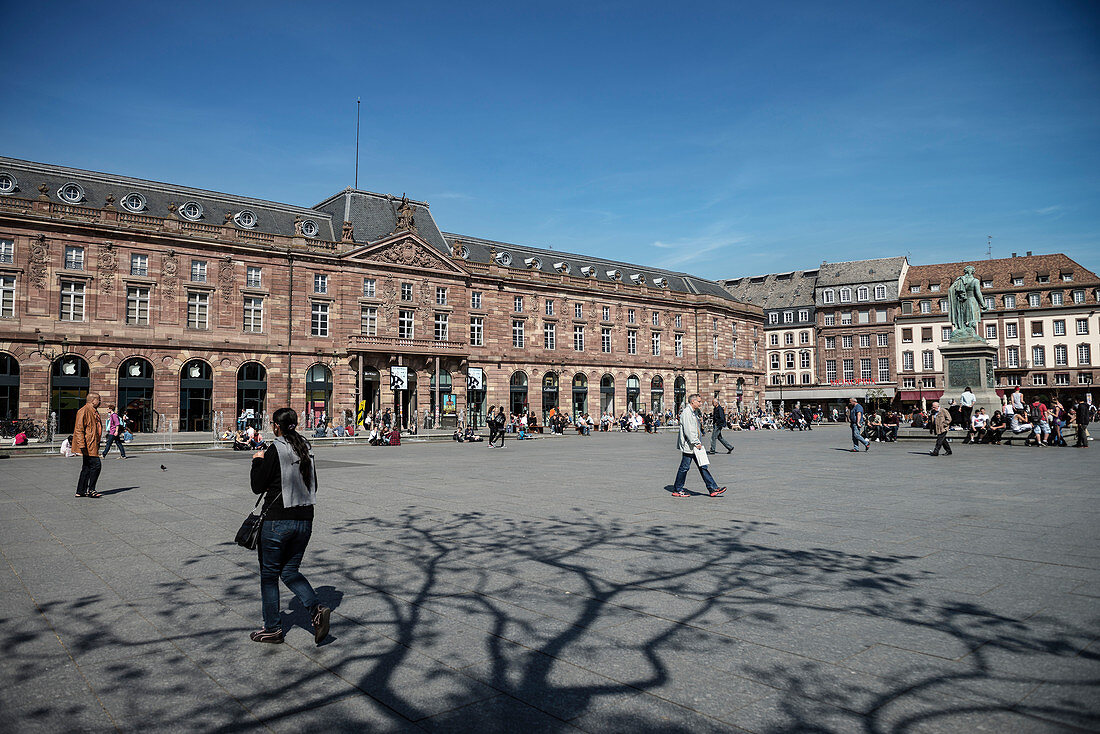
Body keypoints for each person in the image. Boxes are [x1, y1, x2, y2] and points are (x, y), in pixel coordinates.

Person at [249, 407, 330, 644]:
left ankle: (272, 628)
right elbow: (314, 486)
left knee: (269, 575)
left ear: (276, 426)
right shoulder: (306, 448)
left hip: (277, 521)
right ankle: (315, 609)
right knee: (290, 570)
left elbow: (257, 486)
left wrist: (257, 462)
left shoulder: (275, 449)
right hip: (305, 520)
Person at [670, 393, 726, 498]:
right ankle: (677, 489)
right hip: (690, 445)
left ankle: (712, 488)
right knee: (685, 468)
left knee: (702, 466)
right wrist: (696, 442)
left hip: (694, 445)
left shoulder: (694, 412)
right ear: (693, 401)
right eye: (699, 401)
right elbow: (688, 430)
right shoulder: (687, 413)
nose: (701, 403)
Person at [73, 392, 104, 498]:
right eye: (99, 399)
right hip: (88, 444)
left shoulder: (93, 411)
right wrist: (81, 445)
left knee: (86, 467)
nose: (100, 402)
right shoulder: (84, 411)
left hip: (92, 443)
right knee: (96, 465)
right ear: (93, 400)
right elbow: (79, 429)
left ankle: (81, 491)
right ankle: (91, 490)